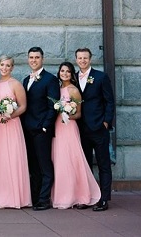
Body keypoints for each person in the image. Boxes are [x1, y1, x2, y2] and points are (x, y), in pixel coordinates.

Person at [51, 61, 100, 209]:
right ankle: (61, 195)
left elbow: (78, 113)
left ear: (72, 74)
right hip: (57, 128)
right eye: (62, 71)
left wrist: (67, 114)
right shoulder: (57, 88)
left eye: (67, 71)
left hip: (69, 127)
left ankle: (80, 195)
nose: (64, 74)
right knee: (59, 160)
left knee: (71, 159)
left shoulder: (74, 90)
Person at [0, 55, 31, 209]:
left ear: (12, 68)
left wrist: (10, 115)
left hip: (11, 125)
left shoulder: (16, 84)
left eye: (8, 66)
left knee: (12, 158)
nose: (4, 68)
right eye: (2, 65)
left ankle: (14, 197)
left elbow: (23, 106)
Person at [75, 48, 115, 211]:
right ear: (76, 60)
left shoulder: (100, 77)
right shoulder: (73, 78)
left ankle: (104, 199)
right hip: (80, 129)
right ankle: (88, 197)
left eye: (85, 58)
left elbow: (109, 101)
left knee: (103, 163)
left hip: (98, 128)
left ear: (90, 59)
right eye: (80, 58)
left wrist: (106, 122)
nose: (82, 60)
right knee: (85, 165)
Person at [22, 47, 60, 211]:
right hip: (27, 128)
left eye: (37, 57)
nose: (34, 60)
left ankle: (44, 199)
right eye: (31, 57)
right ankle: (36, 197)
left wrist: (45, 126)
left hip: (41, 130)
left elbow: (53, 105)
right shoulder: (25, 80)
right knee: (33, 166)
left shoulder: (50, 80)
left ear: (42, 59)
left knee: (44, 165)